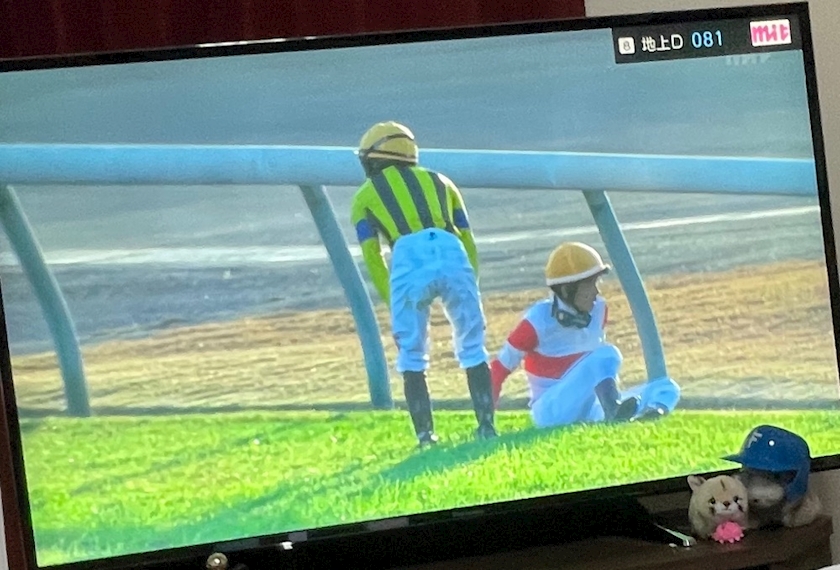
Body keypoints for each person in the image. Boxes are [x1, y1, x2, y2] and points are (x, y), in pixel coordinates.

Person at [350, 121, 497, 447]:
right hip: (452, 249)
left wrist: (392, 300)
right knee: (473, 345)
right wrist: (471, 282)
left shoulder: (363, 197)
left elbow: (373, 255)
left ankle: (425, 436)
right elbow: (467, 238)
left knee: (412, 354)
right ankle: (487, 426)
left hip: (408, 254)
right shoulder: (442, 181)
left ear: (373, 159)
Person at [489, 242, 680, 428]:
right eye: (589, 285)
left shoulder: (599, 310)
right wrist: (486, 422)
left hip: (588, 407)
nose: (596, 292)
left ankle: (649, 415)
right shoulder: (537, 320)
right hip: (550, 411)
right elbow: (499, 369)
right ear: (567, 290)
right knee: (607, 354)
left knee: (665, 387)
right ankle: (613, 410)